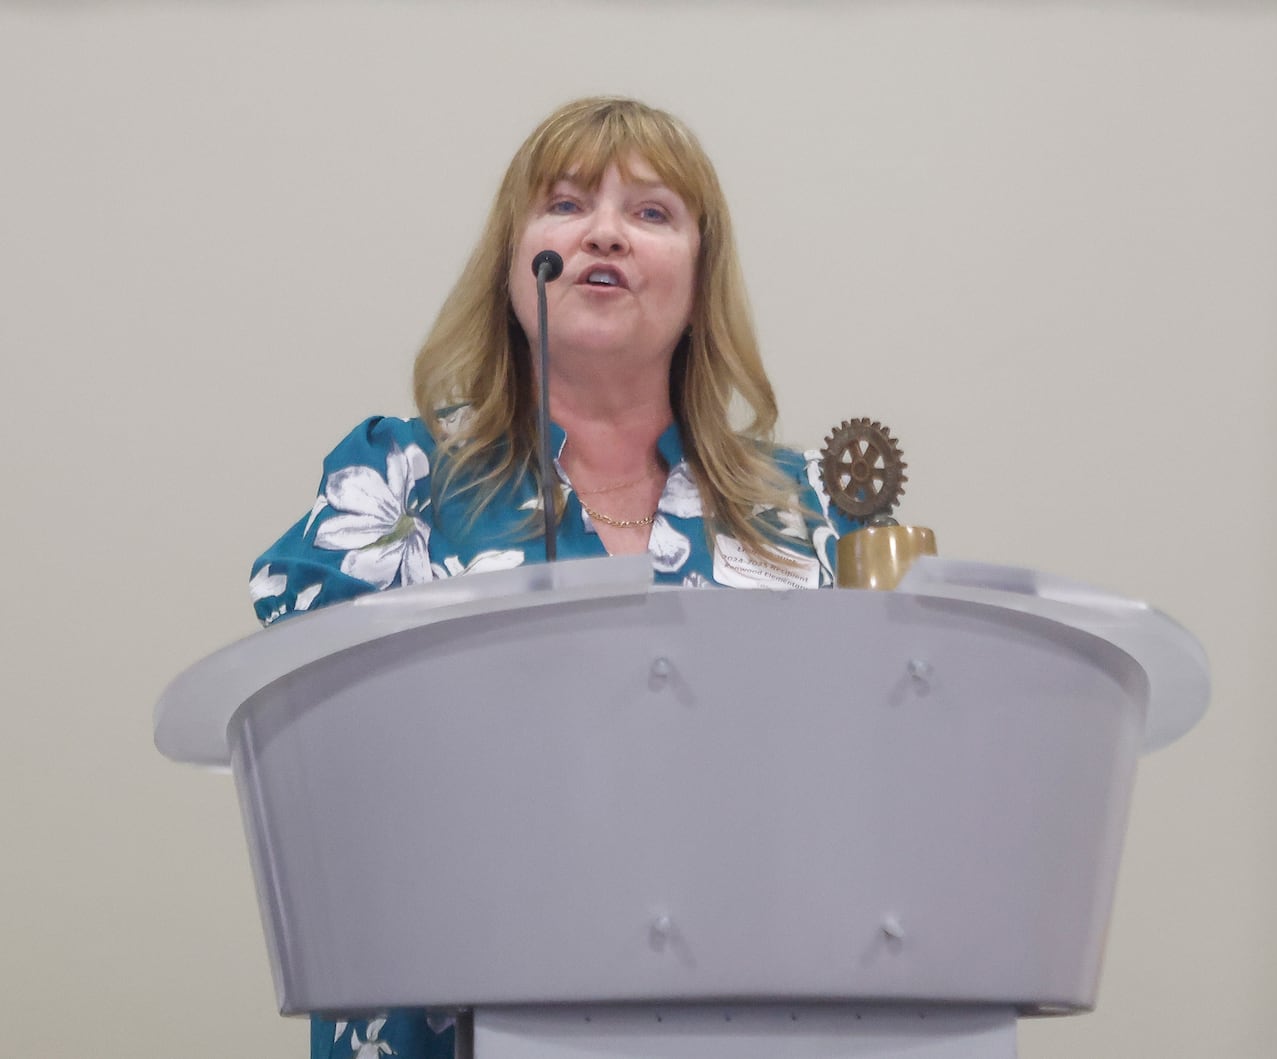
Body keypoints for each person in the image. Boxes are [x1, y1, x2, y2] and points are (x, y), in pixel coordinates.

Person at [247, 97, 859, 1059]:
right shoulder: (399, 481)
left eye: (653, 213)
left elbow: (865, 777)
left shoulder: (798, 515)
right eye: (567, 204)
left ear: (700, 282)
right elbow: (318, 757)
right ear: (512, 263)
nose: (606, 231)